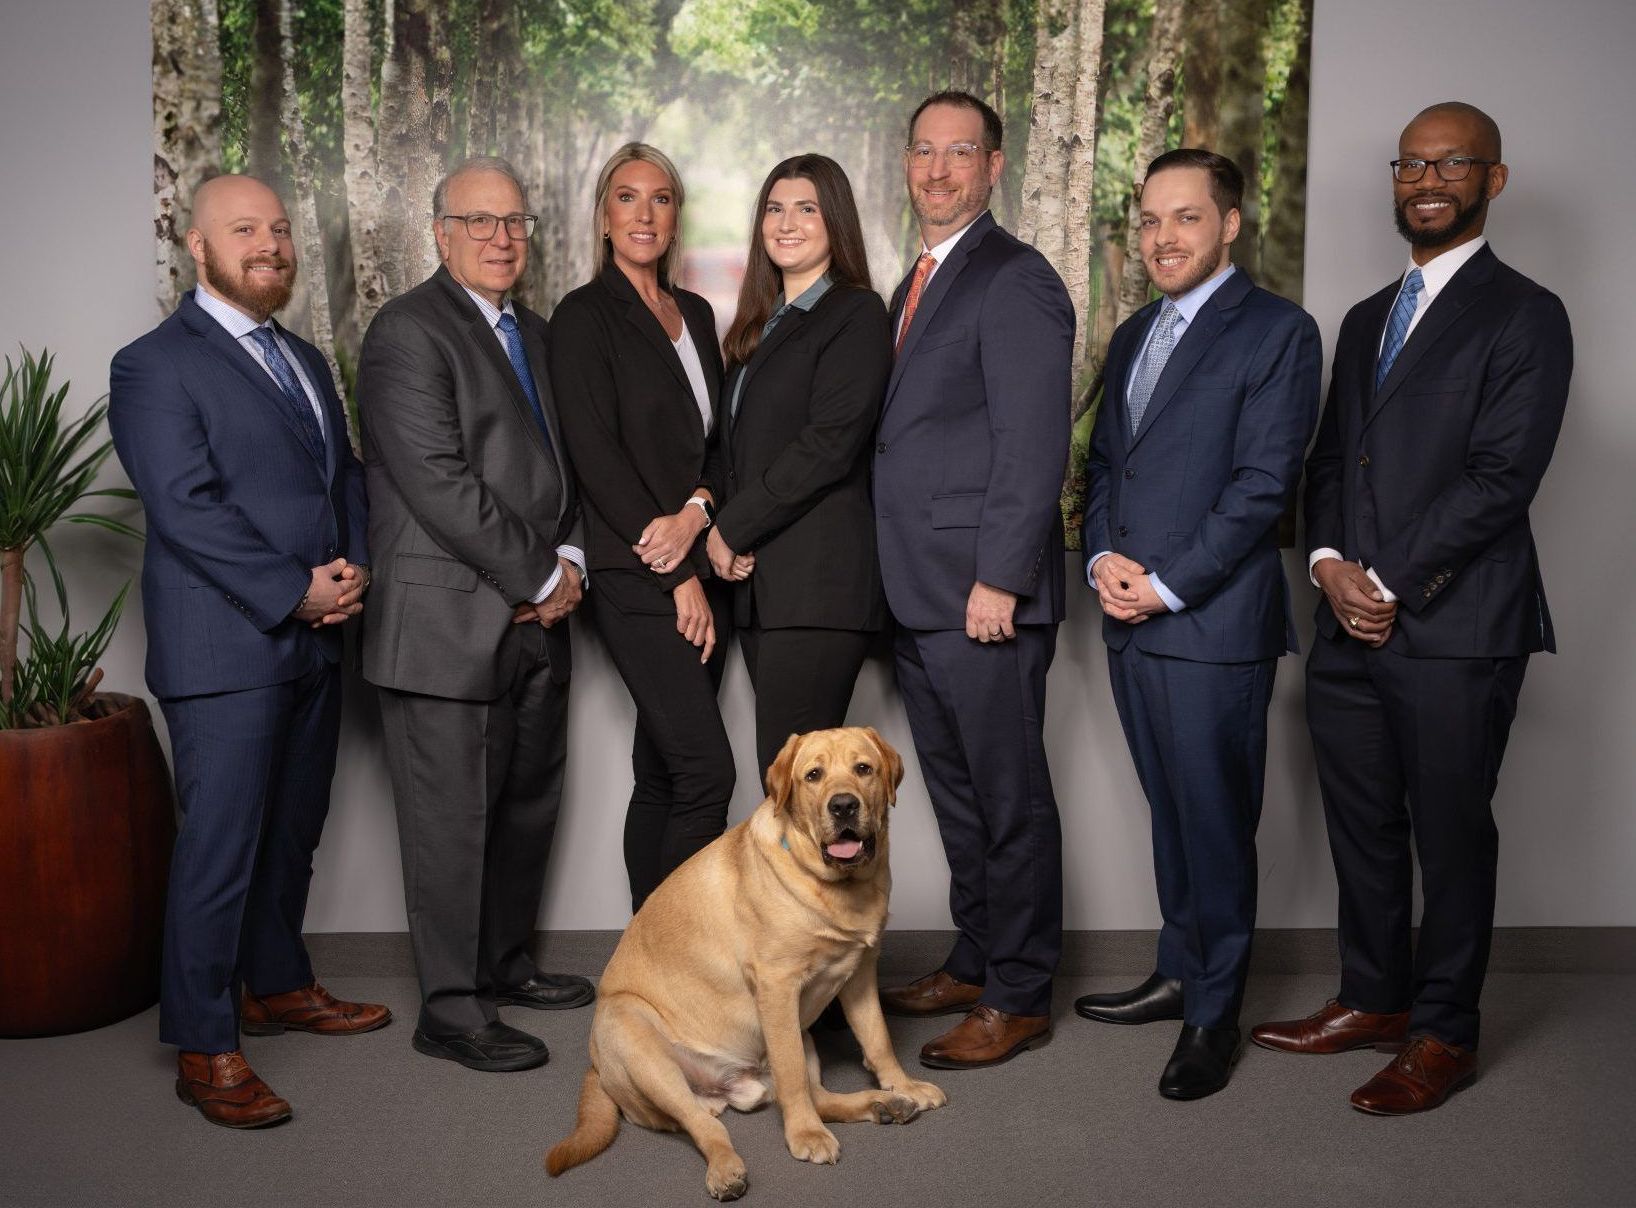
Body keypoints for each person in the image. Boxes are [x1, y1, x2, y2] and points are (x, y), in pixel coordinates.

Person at [1252, 102, 1572, 1115]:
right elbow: (1331, 463)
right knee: (1363, 827)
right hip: (1346, 622)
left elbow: (1498, 478)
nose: (1426, 179)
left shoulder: (1526, 314)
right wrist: (1330, 563)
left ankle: (1442, 1032)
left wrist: (1384, 584)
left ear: (1493, 179)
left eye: (1450, 163)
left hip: (1456, 623)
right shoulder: (1361, 318)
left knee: (1450, 832)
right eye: (1411, 164)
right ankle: (1373, 996)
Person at [109, 174, 387, 1128]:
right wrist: (293, 591)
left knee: (291, 834)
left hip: (316, 636)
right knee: (219, 849)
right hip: (226, 646)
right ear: (198, 244)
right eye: (244, 230)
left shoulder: (305, 357)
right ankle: (205, 1042)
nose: (268, 244)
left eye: (278, 229)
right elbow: (185, 507)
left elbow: (342, 473)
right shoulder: (153, 364)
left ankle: (276, 985)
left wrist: (348, 570)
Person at [1074, 149, 1322, 1099]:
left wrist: (1167, 584)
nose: (1163, 237)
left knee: (1216, 823)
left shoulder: (1277, 333)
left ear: (1229, 225)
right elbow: (1107, 469)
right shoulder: (1137, 332)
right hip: (1128, 616)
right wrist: (1102, 561)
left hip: (1211, 625)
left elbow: (1264, 487)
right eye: (1149, 221)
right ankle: (1181, 970)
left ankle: (1215, 1014)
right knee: (1172, 814)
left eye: (1185, 218)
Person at [357, 156, 593, 1074]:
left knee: (525, 808)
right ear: (441, 232)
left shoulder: (534, 331)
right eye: (480, 222)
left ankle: (502, 966)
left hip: (540, 613)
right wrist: (542, 577)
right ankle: (452, 1011)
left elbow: (567, 468)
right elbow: (440, 484)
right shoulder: (407, 332)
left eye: (516, 222)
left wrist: (568, 560)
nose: (502, 239)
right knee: (451, 825)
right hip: (448, 629)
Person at [873, 91, 1073, 1070]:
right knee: (957, 796)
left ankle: (1021, 990)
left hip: (979, 596)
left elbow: (1033, 445)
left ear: (995, 165)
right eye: (924, 150)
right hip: (920, 593)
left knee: (1008, 797)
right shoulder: (918, 279)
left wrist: (1000, 577)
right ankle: (977, 954)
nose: (939, 169)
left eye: (960, 152)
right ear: (905, 162)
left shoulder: (1015, 278)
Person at [548, 144, 733, 912]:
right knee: (705, 774)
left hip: (701, 568)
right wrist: (676, 573)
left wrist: (698, 515)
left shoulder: (693, 313)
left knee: (664, 767)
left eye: (661, 199)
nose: (645, 214)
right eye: (627, 198)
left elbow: (722, 444)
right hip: (638, 576)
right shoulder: (583, 316)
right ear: (602, 217)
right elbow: (597, 456)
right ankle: (677, 962)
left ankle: (647, 958)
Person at [706, 153, 892, 784]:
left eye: (807, 208)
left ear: (834, 221)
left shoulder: (856, 313)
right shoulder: (759, 326)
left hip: (818, 591)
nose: (788, 223)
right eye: (775, 209)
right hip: (767, 593)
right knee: (788, 792)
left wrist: (731, 528)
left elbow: (829, 444)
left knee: (807, 800)